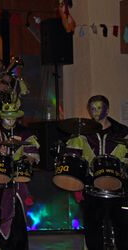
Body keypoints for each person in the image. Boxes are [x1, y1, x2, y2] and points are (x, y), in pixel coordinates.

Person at [65, 95, 128, 250]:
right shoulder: (82, 134)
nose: (95, 111)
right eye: (92, 108)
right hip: (91, 187)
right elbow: (74, 160)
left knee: (123, 228)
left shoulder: (122, 132)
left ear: (107, 109)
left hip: (119, 188)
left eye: (99, 107)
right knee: (93, 230)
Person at [0, 102, 39, 250]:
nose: (11, 120)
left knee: (17, 217)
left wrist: (25, 160)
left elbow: (32, 157)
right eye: (7, 117)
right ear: (1, 118)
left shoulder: (25, 133)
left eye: (13, 117)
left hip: (17, 181)